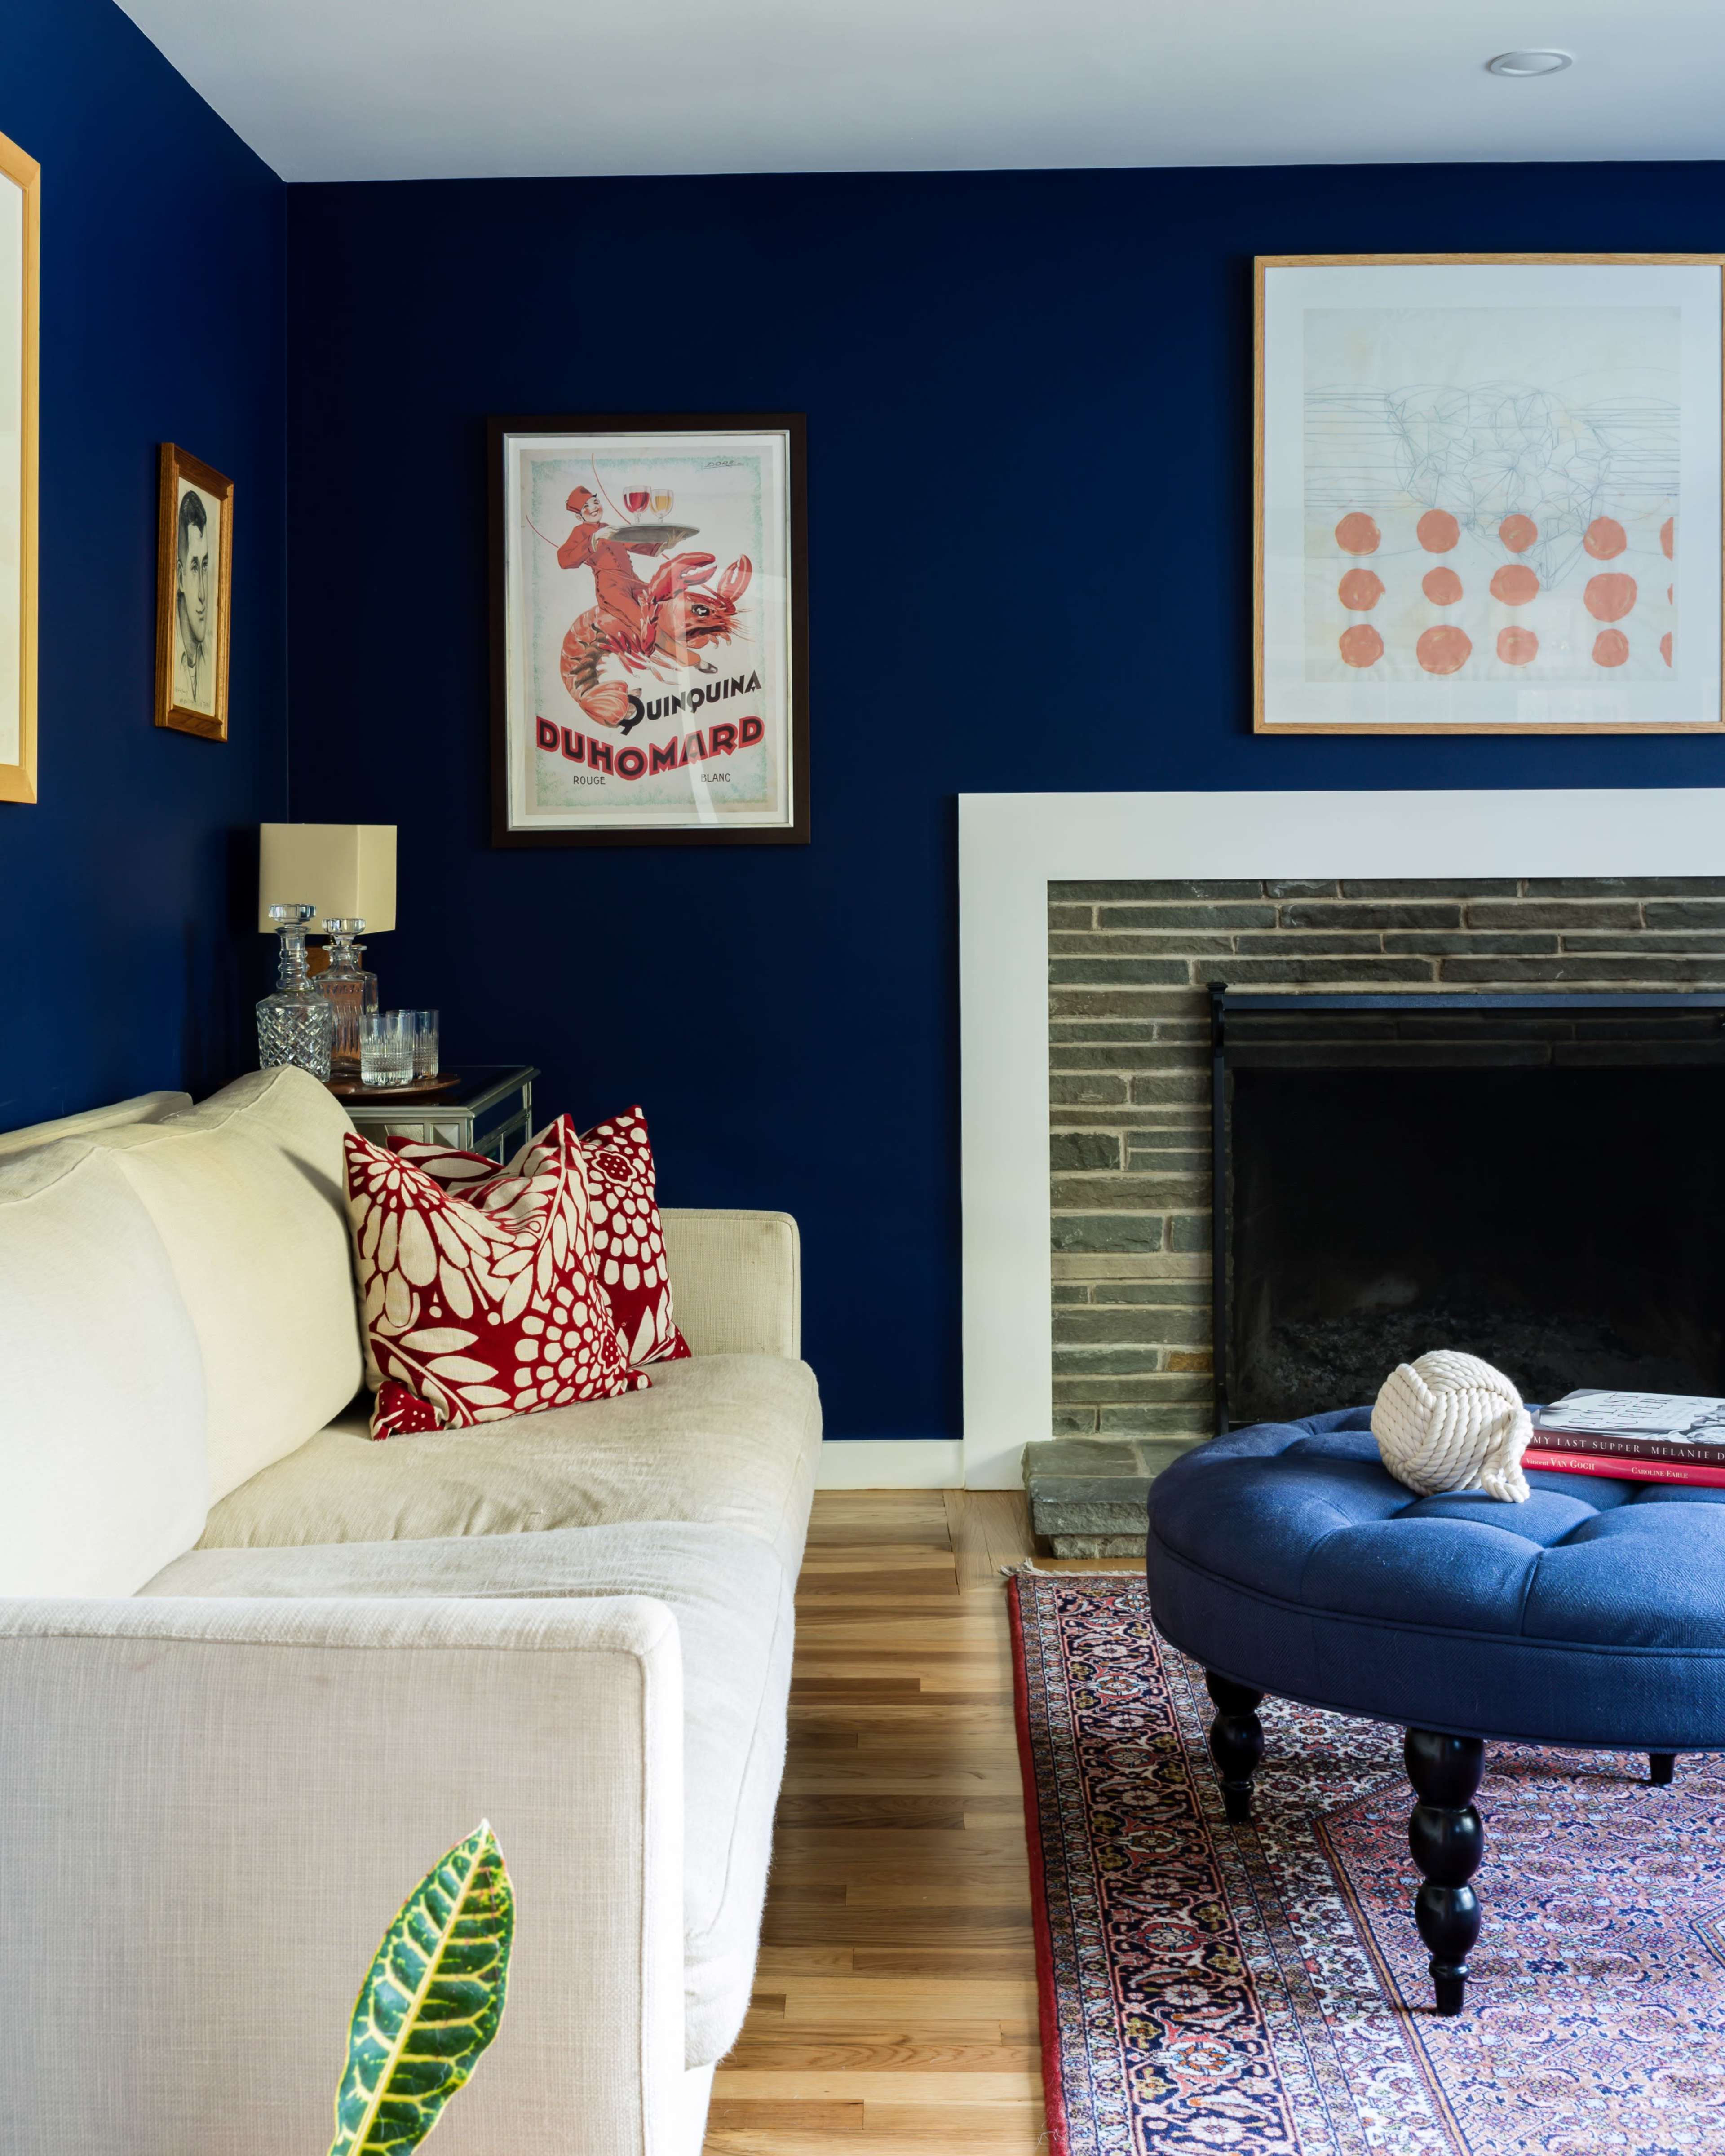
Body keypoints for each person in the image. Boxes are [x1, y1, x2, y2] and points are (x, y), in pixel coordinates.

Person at [173, 488, 215, 711]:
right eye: (195, 567)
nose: (203, 594)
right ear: (180, 577)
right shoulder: (172, 664)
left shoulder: (211, 661)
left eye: (205, 565)